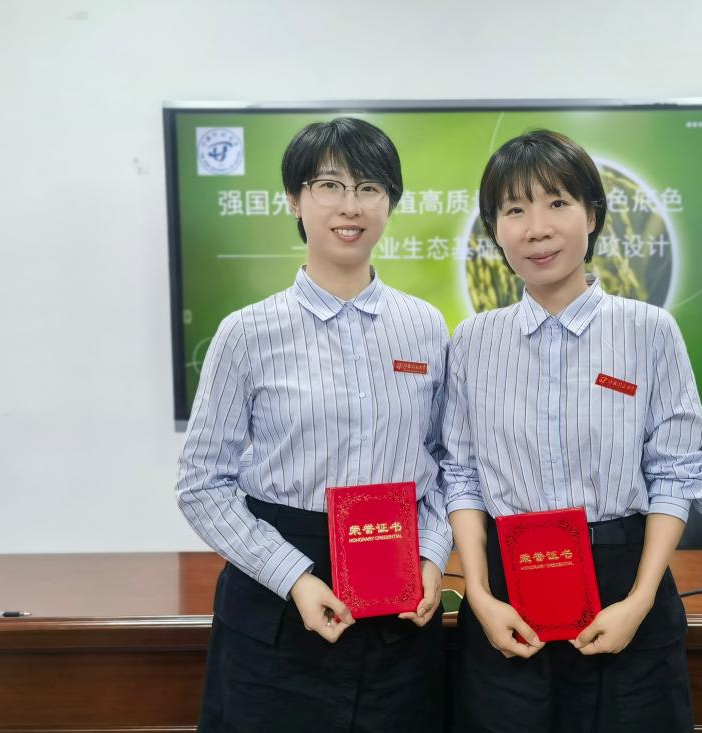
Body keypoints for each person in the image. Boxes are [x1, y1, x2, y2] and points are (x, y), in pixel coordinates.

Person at [177, 117, 452, 733]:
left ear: (390, 203)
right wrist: (295, 578)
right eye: (329, 185)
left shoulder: (426, 327)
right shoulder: (247, 332)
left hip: (398, 597)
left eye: (369, 188)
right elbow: (201, 484)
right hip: (278, 594)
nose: (350, 206)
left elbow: (444, 464)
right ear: (294, 200)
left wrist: (432, 557)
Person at [442, 129, 702, 732]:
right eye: (515, 210)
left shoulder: (650, 331)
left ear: (592, 215)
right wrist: (480, 595)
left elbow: (674, 473)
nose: (537, 229)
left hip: (625, 584)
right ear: (495, 231)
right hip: (508, 596)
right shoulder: (474, 342)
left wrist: (639, 601)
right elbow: (460, 475)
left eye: (558, 203)